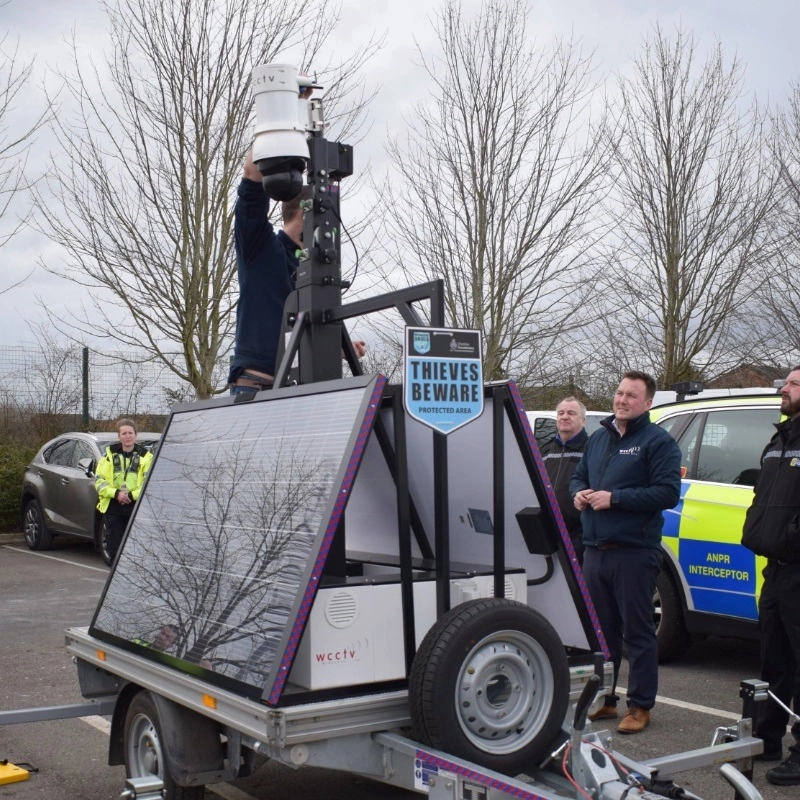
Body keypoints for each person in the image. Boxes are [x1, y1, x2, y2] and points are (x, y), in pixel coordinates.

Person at [570, 370, 681, 734]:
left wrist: (614, 499)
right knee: (601, 634)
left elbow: (666, 493)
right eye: (619, 393)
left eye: (631, 395)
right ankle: (605, 700)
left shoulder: (658, 442)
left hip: (633, 552)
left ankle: (640, 706)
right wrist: (580, 493)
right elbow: (578, 476)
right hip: (595, 550)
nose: (622, 400)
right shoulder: (599, 439)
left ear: (647, 403)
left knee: (637, 633)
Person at [227, 147, 366, 397]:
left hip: (301, 391)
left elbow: (297, 333)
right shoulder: (261, 248)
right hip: (258, 389)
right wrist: (277, 126)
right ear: (307, 212)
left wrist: (338, 348)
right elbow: (251, 175)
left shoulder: (316, 271)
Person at [741, 365, 800, 784]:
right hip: (775, 571)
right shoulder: (778, 440)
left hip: (798, 566)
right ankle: (769, 736)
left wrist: (789, 541)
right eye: (787, 382)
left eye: (795, 384)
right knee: (774, 658)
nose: (786, 388)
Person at [95, 418, 154, 562]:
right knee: (114, 550)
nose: (127, 436)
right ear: (119, 436)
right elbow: (99, 481)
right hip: (114, 507)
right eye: (124, 433)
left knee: (138, 551)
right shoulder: (107, 457)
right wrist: (116, 494)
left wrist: (132, 495)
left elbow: (149, 483)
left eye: (130, 433)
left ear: (136, 435)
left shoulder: (146, 458)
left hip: (137, 507)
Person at [540, 396, 588, 565]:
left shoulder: (590, 449)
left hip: (578, 537)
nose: (564, 416)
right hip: (548, 535)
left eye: (571, 413)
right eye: (561, 413)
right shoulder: (545, 450)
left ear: (582, 420)